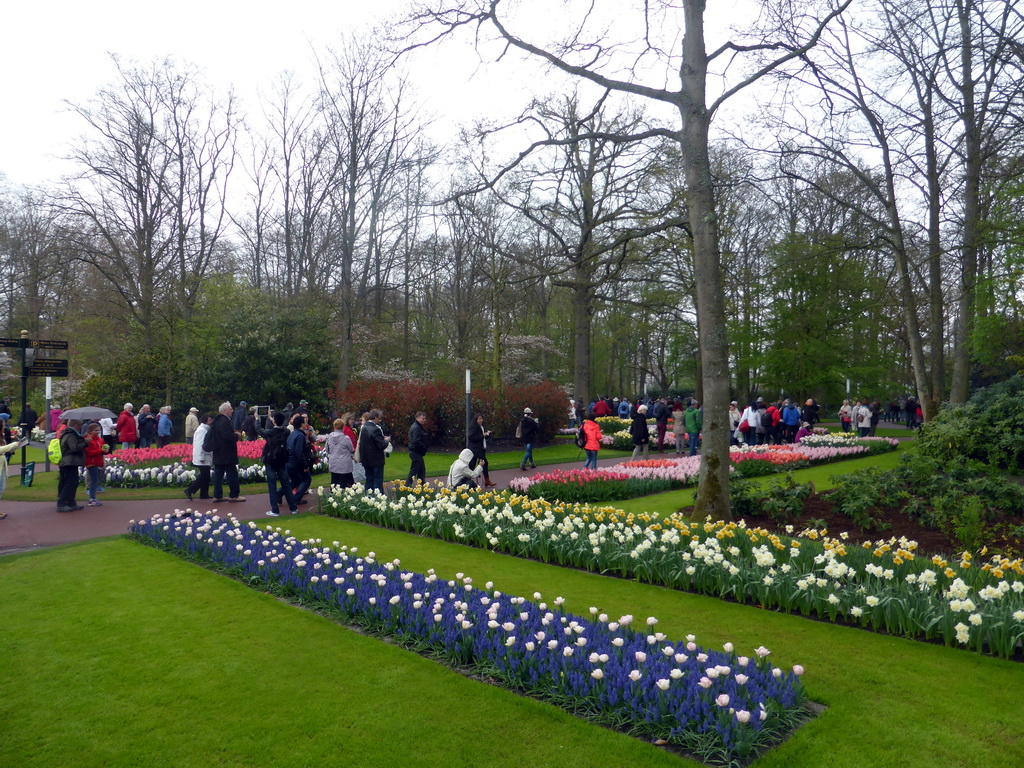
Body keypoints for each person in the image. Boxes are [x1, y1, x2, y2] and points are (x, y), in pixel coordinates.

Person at [264, 411, 300, 516]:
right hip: (282, 459)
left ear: (274, 421)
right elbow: (279, 426)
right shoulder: (286, 432)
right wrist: (274, 420)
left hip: (271, 460)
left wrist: (257, 419)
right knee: (286, 484)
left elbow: (259, 430)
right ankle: (293, 508)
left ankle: (275, 510)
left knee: (272, 484)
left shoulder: (270, 433)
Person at [209, 402, 246, 503]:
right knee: (232, 474)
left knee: (218, 475)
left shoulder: (216, 421)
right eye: (230, 409)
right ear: (225, 410)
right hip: (226, 452)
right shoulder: (224, 421)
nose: (232, 411)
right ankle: (234, 495)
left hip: (218, 452)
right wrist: (236, 436)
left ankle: (217, 495)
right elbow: (227, 436)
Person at [57, 418, 91, 512]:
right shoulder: (71, 435)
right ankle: (62, 503)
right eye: (79, 426)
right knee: (70, 483)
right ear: (76, 425)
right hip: (69, 462)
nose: (80, 428)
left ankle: (70, 502)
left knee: (69, 482)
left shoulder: (67, 433)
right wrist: (86, 442)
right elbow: (74, 448)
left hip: (68, 462)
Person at [359, 409, 391, 494]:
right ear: (375, 417)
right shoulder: (375, 429)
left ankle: (368, 498)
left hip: (366, 459)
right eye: (378, 418)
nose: (379, 420)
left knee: (369, 479)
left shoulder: (364, 428)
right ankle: (378, 498)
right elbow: (381, 445)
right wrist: (387, 440)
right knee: (377, 479)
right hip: (376, 460)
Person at [184, 414, 213, 502]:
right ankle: (190, 490)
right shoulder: (202, 430)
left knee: (206, 476)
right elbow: (200, 444)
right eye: (210, 420)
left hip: (204, 456)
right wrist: (201, 456)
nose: (211, 422)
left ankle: (204, 494)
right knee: (205, 476)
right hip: (202, 457)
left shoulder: (204, 429)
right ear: (205, 421)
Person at [0, 428, 29, 514]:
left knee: (1, 488)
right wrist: (14, 445)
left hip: (2, 466)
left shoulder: (2, 437)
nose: (4, 427)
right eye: (2, 425)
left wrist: (15, 447)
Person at [325, 416, 356, 489]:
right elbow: (351, 449)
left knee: (334, 482)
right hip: (344, 462)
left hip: (334, 462)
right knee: (343, 483)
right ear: (343, 427)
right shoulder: (346, 438)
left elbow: (327, 449)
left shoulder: (330, 437)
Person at [467, 413, 496, 487]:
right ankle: (467, 481)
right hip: (474, 450)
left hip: (480, 449)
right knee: (472, 465)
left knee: (483, 464)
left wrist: (487, 434)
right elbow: (471, 437)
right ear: (476, 419)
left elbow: (481, 437)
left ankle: (486, 480)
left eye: (482, 419)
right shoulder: (474, 427)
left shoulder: (481, 427)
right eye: (479, 419)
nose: (481, 420)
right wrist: (483, 435)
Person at [83, 422, 107, 506]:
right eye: (95, 430)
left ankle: (93, 498)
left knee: (96, 480)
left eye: (99, 430)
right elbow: (88, 452)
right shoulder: (88, 439)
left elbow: (104, 447)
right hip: (91, 462)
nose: (97, 432)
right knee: (94, 480)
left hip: (98, 461)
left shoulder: (100, 439)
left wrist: (105, 450)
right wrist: (100, 451)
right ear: (90, 431)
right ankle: (91, 499)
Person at [407, 411, 429, 484]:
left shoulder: (417, 427)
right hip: (416, 451)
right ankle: (407, 485)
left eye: (425, 419)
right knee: (414, 470)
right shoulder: (417, 428)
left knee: (421, 470)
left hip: (416, 451)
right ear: (417, 418)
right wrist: (424, 446)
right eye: (423, 418)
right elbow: (416, 441)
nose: (424, 420)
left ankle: (422, 484)